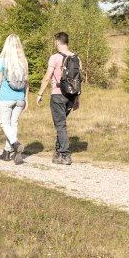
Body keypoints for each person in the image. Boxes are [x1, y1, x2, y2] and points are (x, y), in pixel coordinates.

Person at [37, 32, 79, 165]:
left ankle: (65, 155)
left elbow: (47, 77)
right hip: (71, 96)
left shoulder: (54, 58)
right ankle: (58, 153)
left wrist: (40, 94)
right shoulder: (76, 58)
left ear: (58, 42)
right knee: (60, 124)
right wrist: (77, 99)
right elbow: (78, 81)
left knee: (60, 125)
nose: (55, 44)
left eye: (55, 41)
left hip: (57, 94)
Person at [0, 34, 29, 165]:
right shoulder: (23, 61)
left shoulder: (3, 60)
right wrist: (26, 98)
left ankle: (16, 144)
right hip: (20, 98)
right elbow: (26, 82)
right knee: (14, 125)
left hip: (6, 97)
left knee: (4, 123)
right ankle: (7, 153)